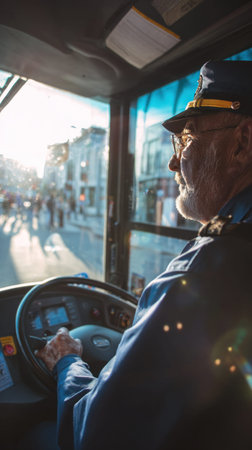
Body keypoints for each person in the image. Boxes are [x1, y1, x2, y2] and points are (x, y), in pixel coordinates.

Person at [36, 60, 252, 450]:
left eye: (186, 140)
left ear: (242, 143)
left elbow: (93, 434)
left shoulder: (204, 271)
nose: (173, 162)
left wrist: (68, 361)